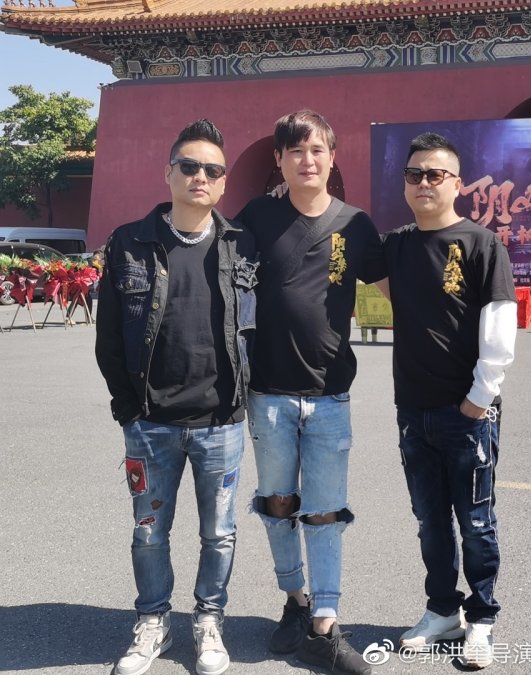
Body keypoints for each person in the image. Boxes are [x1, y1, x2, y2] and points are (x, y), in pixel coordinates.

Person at [95, 119, 257, 675]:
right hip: (151, 423)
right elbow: (108, 337)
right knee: (148, 533)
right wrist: (127, 409)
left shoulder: (240, 243)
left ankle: (209, 620)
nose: (200, 177)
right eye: (189, 166)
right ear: (169, 173)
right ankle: (153, 620)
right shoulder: (130, 242)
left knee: (219, 534)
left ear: (224, 181)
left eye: (212, 169)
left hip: (221, 422)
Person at [236, 110, 385, 675]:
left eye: (317, 149)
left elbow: (398, 289)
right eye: (295, 150)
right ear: (279, 159)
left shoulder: (355, 225)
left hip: (329, 394)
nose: (307, 160)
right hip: (268, 392)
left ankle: (324, 621)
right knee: (277, 503)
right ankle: (294, 599)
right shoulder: (257, 217)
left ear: (332, 157)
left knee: (324, 512)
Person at [381, 132, 518, 669]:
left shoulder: (482, 245)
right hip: (413, 410)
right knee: (430, 520)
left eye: (435, 174)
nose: (424, 183)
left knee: (476, 521)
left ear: (457, 183)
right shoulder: (396, 245)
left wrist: (480, 398)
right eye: (414, 174)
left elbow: (500, 327)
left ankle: (481, 618)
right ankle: (442, 610)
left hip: (468, 413)